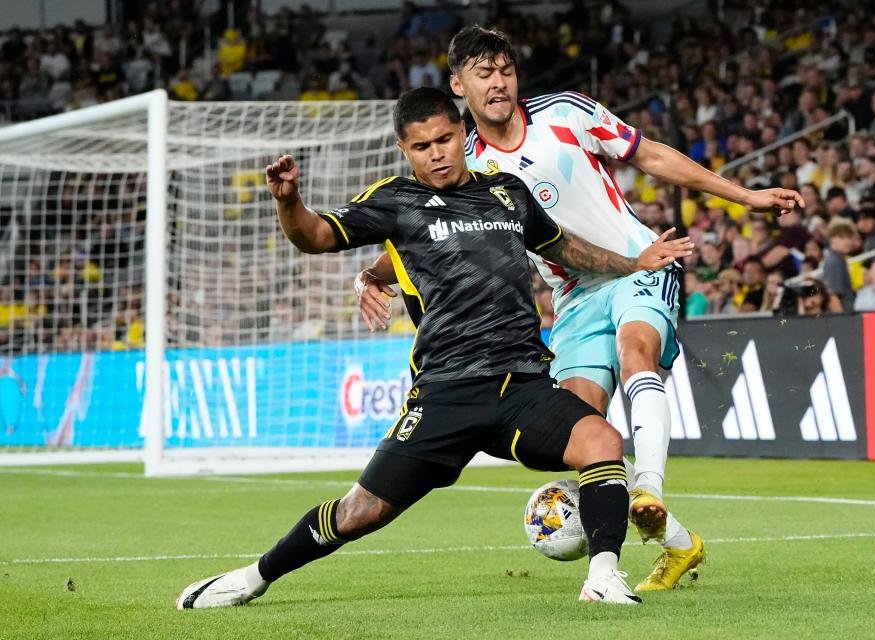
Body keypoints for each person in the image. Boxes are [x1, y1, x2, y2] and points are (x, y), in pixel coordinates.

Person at [176, 88, 695, 610]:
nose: (437, 153)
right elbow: (314, 237)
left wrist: (634, 263)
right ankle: (251, 578)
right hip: (447, 393)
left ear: (461, 133)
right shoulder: (395, 201)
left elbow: (563, 246)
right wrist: (289, 201)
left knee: (602, 440)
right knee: (362, 511)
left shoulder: (508, 193)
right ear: (405, 149)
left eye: (445, 139)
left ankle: (603, 576)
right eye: (422, 146)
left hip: (523, 386)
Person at [356, 26, 805, 591]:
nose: (498, 83)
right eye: (483, 74)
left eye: (505, 70)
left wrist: (747, 196)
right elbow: (423, 234)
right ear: (458, 86)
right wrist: (369, 276)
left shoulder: (566, 113)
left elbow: (654, 157)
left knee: (635, 351)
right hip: (573, 296)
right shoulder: (462, 162)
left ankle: (650, 488)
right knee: (581, 428)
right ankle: (679, 543)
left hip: (638, 264)